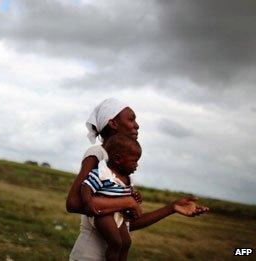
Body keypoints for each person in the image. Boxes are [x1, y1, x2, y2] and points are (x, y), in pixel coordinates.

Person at [68, 98, 209, 261]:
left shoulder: (122, 169)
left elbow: (126, 224)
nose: (137, 125)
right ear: (113, 123)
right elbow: (73, 203)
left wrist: (172, 208)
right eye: (131, 119)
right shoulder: (98, 154)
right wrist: (126, 202)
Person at [81, 134, 142, 261]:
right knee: (116, 243)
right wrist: (88, 203)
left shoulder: (127, 178)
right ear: (118, 159)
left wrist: (134, 197)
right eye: (134, 161)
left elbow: (126, 196)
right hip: (104, 215)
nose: (136, 165)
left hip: (118, 215)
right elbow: (86, 187)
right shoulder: (103, 173)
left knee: (126, 243)